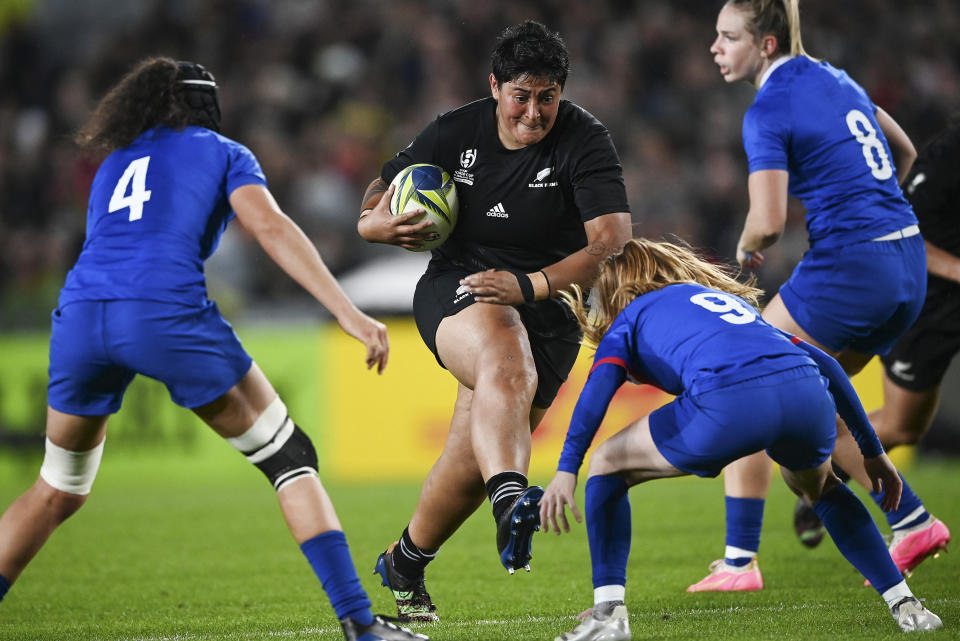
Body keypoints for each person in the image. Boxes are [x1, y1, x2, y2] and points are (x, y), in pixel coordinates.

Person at [0, 57, 427, 641]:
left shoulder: (112, 163)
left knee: (57, 488)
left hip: (79, 317)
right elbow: (272, 228)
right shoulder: (224, 152)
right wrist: (346, 311)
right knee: (288, 457)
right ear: (209, 109)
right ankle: (362, 625)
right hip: (160, 312)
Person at [357, 20, 632, 622]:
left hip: (552, 309)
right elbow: (384, 183)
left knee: (468, 456)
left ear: (562, 92)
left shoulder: (584, 139)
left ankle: (405, 560)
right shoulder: (458, 130)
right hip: (464, 285)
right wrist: (370, 221)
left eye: (547, 98)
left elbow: (611, 241)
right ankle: (512, 498)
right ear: (495, 87)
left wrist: (531, 284)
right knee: (505, 353)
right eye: (521, 96)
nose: (534, 112)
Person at [539, 238, 942, 640]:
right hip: (805, 393)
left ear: (614, 289)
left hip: (728, 403)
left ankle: (608, 617)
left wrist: (567, 467)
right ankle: (906, 604)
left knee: (608, 460)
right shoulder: (723, 303)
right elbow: (828, 366)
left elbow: (597, 390)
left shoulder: (631, 315)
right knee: (819, 487)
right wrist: (872, 452)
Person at [692, 0, 948, 592]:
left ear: (768, 45)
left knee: (744, 375)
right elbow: (905, 152)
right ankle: (904, 520)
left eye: (729, 37)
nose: (715, 47)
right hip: (905, 263)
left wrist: (746, 246)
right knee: (812, 415)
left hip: (850, 268)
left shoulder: (768, 107)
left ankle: (743, 563)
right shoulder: (836, 78)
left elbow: (769, 221)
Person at [794, 114, 960, 567]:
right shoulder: (946, 159)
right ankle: (823, 477)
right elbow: (910, 235)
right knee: (904, 427)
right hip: (933, 306)